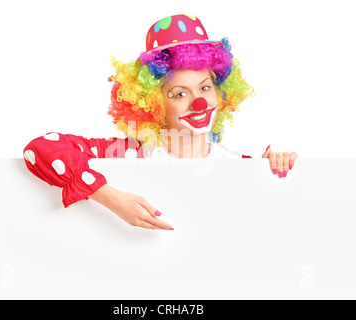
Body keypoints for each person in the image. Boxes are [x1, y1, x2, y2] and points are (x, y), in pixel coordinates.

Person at [23, 14, 298, 230]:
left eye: (205, 88)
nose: (198, 103)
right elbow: (40, 148)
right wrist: (111, 198)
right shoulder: (128, 153)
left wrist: (272, 168)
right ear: (156, 104)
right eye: (180, 94)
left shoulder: (240, 165)